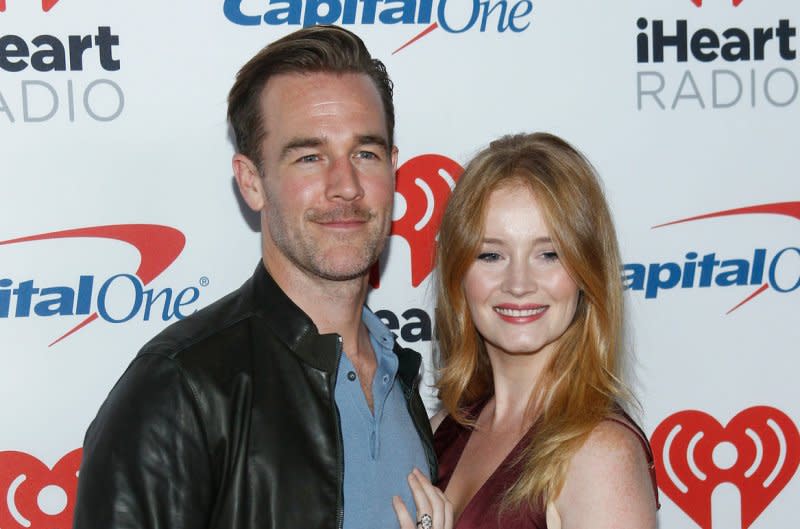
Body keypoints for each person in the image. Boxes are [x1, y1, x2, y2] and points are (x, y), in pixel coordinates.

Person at [72, 25, 446, 529]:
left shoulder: (398, 376)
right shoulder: (181, 390)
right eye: (310, 157)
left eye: (365, 153)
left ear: (393, 169)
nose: (346, 186)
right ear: (252, 182)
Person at [430, 133, 660, 528]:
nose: (519, 283)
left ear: (587, 274)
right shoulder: (441, 430)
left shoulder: (602, 454)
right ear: (458, 275)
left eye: (548, 254)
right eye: (491, 254)